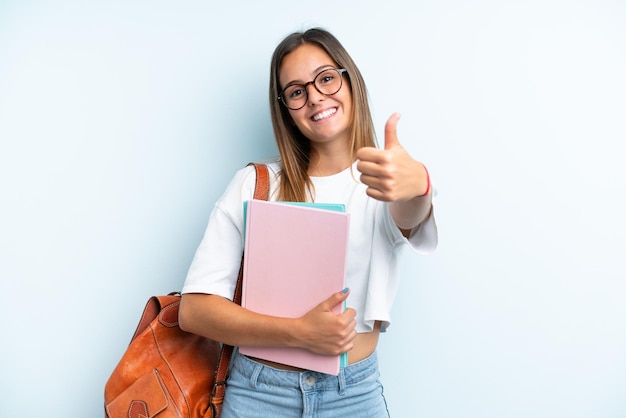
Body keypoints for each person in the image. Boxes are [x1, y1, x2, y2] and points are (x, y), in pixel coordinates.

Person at [178, 27, 438, 417]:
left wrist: (420, 187)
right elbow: (194, 311)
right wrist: (297, 332)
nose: (315, 96)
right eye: (297, 91)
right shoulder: (255, 184)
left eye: (326, 78)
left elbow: (409, 216)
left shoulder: (385, 179)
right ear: (285, 107)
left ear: (349, 80)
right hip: (258, 395)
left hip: (353, 396)